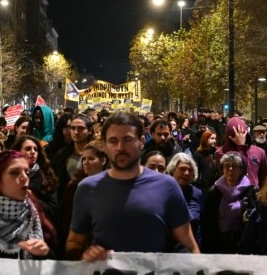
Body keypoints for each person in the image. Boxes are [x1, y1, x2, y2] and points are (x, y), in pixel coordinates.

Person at [65, 111, 199, 259]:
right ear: (105, 145)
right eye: (113, 141)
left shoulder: (167, 186)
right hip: (105, 274)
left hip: (155, 274)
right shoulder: (87, 188)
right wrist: (84, 255)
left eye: (127, 140)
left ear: (141, 141)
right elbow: (74, 243)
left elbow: (190, 246)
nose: (120, 147)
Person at [57, 141, 108, 253]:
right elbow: (67, 217)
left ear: (103, 161)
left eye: (91, 159)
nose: (86, 163)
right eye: (84, 159)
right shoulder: (74, 185)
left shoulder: (112, 185)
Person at [202, 151, 256, 254]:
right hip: (218, 242)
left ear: (241, 169)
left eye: (235, 166)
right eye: (227, 165)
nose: (230, 169)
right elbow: (207, 221)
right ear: (222, 169)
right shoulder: (214, 191)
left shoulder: (251, 191)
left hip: (243, 241)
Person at [11, 134, 59, 222]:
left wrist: (33, 198)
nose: (33, 152)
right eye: (28, 149)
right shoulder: (9, 176)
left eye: (36, 149)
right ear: (18, 152)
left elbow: (53, 212)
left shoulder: (47, 176)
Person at [215, 116, 267, 188]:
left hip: (253, 193)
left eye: (242, 133)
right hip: (230, 192)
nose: (239, 137)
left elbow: (264, 179)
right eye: (235, 135)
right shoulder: (221, 153)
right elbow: (238, 174)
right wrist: (241, 147)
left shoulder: (259, 152)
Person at [167, 152, 204, 250]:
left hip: (193, 249)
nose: (186, 173)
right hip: (169, 251)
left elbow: (203, 223)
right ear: (172, 170)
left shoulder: (197, 194)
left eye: (190, 170)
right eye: (182, 169)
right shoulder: (164, 192)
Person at [51, 114, 93, 195]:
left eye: (81, 128)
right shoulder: (61, 155)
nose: (76, 132)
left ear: (90, 130)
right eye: (73, 128)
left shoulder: (98, 154)